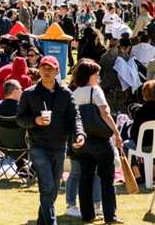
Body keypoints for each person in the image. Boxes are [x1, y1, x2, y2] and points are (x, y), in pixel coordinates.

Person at [16, 56, 86, 225]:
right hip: (38, 146)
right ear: (38, 70)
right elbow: (20, 119)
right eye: (43, 68)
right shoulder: (29, 94)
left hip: (59, 146)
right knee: (46, 186)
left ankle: (42, 221)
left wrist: (80, 134)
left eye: (50, 69)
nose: (46, 72)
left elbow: (75, 117)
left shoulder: (65, 93)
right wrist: (35, 121)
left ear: (57, 71)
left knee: (53, 189)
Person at [68, 59, 123, 223]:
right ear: (89, 75)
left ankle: (87, 215)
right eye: (96, 74)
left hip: (82, 140)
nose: (99, 77)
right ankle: (110, 215)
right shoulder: (95, 91)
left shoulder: (74, 93)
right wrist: (116, 133)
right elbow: (105, 114)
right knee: (107, 178)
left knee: (85, 178)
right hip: (99, 139)